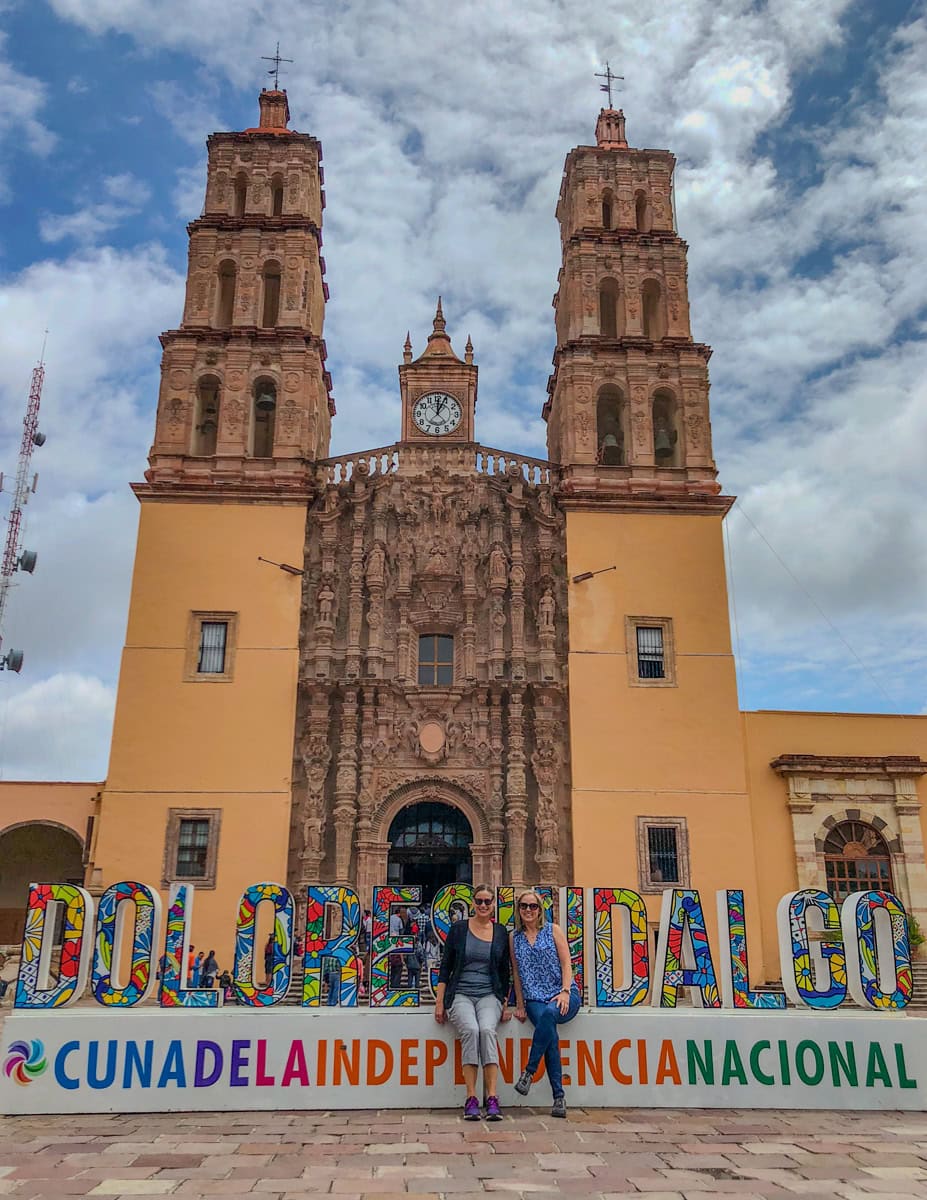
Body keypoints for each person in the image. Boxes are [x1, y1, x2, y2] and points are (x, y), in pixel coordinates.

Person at [434, 884, 511, 1121]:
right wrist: (439, 1002)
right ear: (472, 903)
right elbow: (445, 967)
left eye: (488, 901)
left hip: (489, 995)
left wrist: (506, 1001)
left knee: (487, 1030)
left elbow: (504, 969)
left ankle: (492, 1097)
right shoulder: (458, 929)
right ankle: (471, 1098)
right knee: (470, 1029)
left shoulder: (500, 932)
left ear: (493, 904)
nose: (483, 905)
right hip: (461, 994)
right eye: (479, 901)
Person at [510, 889, 581, 1118]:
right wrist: (520, 1004)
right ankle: (558, 1097)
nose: (528, 910)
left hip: (564, 994)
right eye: (524, 906)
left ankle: (529, 1072)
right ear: (518, 910)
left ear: (540, 909)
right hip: (534, 999)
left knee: (549, 1016)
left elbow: (566, 964)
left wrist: (565, 991)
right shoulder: (515, 938)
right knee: (548, 1029)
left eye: (533, 906)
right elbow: (517, 974)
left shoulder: (553, 930)